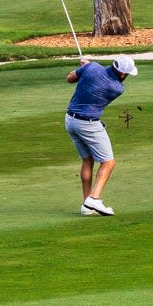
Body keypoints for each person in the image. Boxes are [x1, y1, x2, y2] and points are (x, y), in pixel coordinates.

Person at [64, 54, 134, 216]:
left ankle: (86, 205)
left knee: (87, 159)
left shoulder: (91, 68)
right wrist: (87, 67)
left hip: (70, 120)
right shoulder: (117, 88)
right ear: (123, 74)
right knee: (108, 162)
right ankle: (94, 199)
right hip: (88, 124)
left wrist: (84, 68)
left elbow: (70, 79)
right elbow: (100, 79)